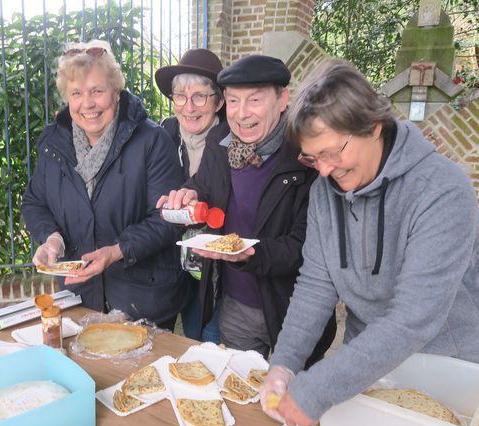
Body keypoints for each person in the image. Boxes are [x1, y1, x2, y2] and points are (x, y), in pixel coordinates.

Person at [260, 58, 479, 426]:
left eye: (331, 152)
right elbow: (315, 286)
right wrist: (284, 364)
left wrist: (314, 391)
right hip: (369, 366)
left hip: (448, 368)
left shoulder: (443, 190)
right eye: (312, 157)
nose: (323, 170)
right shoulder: (326, 191)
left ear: (372, 127)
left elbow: (413, 317)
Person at [157, 54, 337, 364]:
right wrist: (190, 192)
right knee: (240, 392)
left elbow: (308, 246)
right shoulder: (220, 140)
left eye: (254, 100)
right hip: (234, 304)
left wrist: (250, 254)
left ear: (282, 99)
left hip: (291, 308)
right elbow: (206, 184)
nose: (242, 114)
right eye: (234, 101)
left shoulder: (305, 156)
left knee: (289, 402)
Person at [22, 39, 188, 330]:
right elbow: (35, 202)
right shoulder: (53, 143)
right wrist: (52, 239)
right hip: (78, 297)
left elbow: (168, 218)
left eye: (97, 91)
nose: (87, 103)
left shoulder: (151, 141)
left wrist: (117, 250)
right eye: (76, 93)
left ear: (116, 92)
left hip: (143, 302)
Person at [154, 48, 225, 342]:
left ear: (219, 101)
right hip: (169, 263)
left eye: (200, 96)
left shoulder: (232, 141)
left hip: (212, 270)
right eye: (180, 96)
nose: (189, 106)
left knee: (205, 340)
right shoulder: (162, 135)